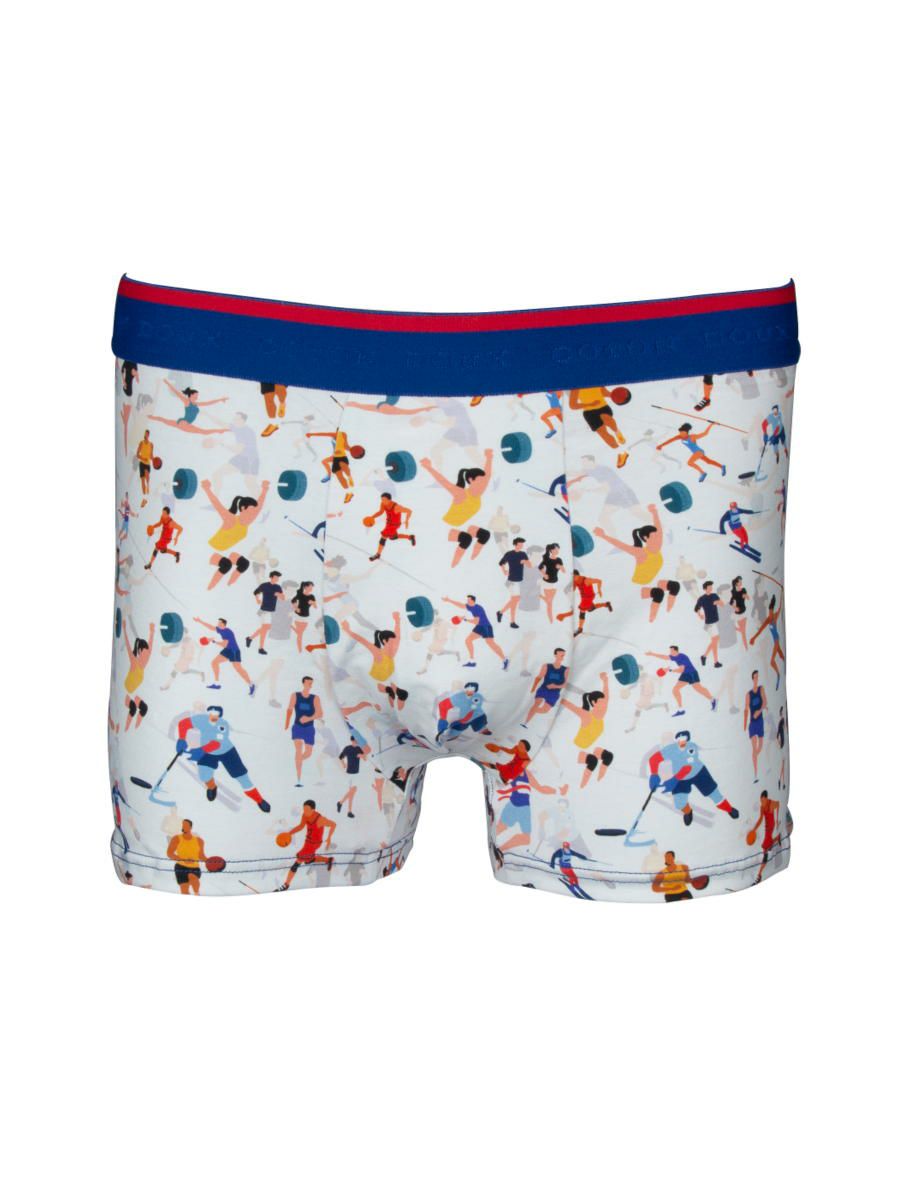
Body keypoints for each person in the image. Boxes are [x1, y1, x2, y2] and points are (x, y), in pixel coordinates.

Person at [176, 704, 270, 811]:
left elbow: (216, 743)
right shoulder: (201, 719)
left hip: (227, 752)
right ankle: (212, 787)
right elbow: (183, 723)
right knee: (204, 775)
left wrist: (200, 751)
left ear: (220, 715)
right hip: (208, 753)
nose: (213, 716)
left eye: (216, 714)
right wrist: (181, 739)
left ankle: (259, 800)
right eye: (211, 713)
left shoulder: (223, 725)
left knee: (242, 777)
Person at [648, 730, 739, 826]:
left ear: (688, 740)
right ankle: (688, 812)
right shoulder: (671, 749)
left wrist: (674, 780)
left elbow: (687, 768)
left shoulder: (691, 748)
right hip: (681, 779)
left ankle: (729, 809)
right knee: (679, 803)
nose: (682, 742)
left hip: (698, 773)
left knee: (715, 795)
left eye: (684, 739)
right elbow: (654, 759)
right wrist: (654, 775)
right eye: (679, 739)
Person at [276, 800, 337, 889]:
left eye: (307, 810)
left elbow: (333, 824)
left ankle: (286, 884)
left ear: (313, 810)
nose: (305, 812)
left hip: (315, 844)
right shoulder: (305, 815)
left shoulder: (320, 819)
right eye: (304, 809)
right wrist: (289, 833)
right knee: (309, 860)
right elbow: (301, 826)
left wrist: (329, 838)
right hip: (307, 842)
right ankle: (328, 860)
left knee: (298, 862)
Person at [442, 594, 508, 669]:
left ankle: (504, 659)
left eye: (468, 600)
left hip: (486, 626)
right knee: (468, 640)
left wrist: (466, 620)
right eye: (467, 600)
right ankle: (472, 661)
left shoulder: (477, 608)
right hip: (480, 626)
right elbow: (461, 605)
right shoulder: (470, 606)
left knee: (490, 643)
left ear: (473, 601)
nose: (467, 601)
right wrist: (449, 600)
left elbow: (476, 621)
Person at [194, 616, 256, 695]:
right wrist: (200, 621)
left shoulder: (227, 632)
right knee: (214, 663)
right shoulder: (220, 629)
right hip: (228, 650)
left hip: (234, 651)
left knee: (238, 669)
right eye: (218, 622)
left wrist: (214, 641)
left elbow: (224, 644)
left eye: (220, 622)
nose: (218, 624)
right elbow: (211, 627)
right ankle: (216, 684)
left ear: (224, 624)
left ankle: (251, 684)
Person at [656, 422, 726, 482]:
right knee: (708, 461)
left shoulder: (692, 437)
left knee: (690, 462)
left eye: (682, 432)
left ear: (686, 432)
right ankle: (722, 466)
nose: (681, 434)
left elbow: (705, 433)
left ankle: (702, 473)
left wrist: (711, 424)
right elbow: (670, 440)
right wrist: (661, 445)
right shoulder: (679, 437)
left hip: (698, 451)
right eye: (680, 432)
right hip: (696, 452)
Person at [285, 676, 323, 786]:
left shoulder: (315, 698)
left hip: (309, 728)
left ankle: (298, 761)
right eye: (308, 683)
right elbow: (289, 710)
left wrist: (309, 718)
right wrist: (286, 723)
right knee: (298, 749)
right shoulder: (295, 695)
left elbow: (320, 713)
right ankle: (298, 779)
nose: (310, 685)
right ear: (303, 683)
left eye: (311, 683)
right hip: (297, 727)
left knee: (308, 753)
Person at [167, 819, 208, 895]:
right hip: (180, 867)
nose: (183, 827)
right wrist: (183, 860)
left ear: (190, 827)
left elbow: (201, 855)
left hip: (194, 868)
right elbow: (170, 853)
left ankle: (197, 893)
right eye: (182, 825)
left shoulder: (199, 841)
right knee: (184, 891)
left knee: (192, 877)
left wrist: (209, 861)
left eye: (185, 825)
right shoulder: (176, 838)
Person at [247, 570, 284, 653]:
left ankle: (250, 638)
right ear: (271, 577)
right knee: (265, 628)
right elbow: (256, 592)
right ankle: (260, 648)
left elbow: (283, 598)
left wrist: (278, 594)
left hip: (271, 611)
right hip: (264, 610)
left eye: (278, 578)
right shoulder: (264, 585)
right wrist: (257, 599)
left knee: (265, 628)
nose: (277, 579)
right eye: (276, 577)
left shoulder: (278, 587)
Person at [497, 537, 530, 628]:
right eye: (520, 544)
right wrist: (504, 570)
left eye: (522, 544)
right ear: (515, 544)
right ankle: (512, 622)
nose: (521, 546)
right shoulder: (509, 554)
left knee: (514, 600)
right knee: (515, 600)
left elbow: (529, 565)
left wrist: (525, 561)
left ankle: (501, 612)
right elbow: (501, 563)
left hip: (520, 580)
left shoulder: (523, 554)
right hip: (511, 581)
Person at [744, 670, 768, 781]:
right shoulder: (748, 694)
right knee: (754, 748)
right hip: (753, 724)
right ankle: (755, 774)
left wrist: (759, 711)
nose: (756, 679)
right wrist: (744, 725)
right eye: (755, 677)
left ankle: (755, 759)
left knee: (760, 747)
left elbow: (765, 702)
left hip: (760, 722)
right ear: (752, 678)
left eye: (757, 677)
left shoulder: (761, 689)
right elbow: (746, 709)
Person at [694, 580, 723, 667]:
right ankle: (715, 662)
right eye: (709, 587)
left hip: (716, 621)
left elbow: (722, 604)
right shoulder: (702, 599)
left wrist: (717, 602)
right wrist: (700, 615)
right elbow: (696, 608)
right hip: (709, 623)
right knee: (715, 641)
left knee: (715, 640)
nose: (711, 588)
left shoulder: (714, 595)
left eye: (711, 587)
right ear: (705, 588)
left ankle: (704, 656)